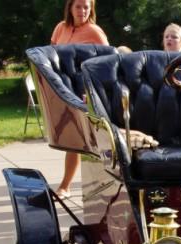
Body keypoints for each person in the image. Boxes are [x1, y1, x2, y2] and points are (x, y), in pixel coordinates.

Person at [51, 0, 109, 199]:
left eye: (87, 7)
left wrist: (93, 91)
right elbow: (51, 54)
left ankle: (75, 186)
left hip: (86, 92)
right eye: (78, 6)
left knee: (93, 139)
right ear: (70, 8)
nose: (83, 11)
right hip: (65, 90)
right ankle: (66, 186)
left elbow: (109, 61)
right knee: (72, 139)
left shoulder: (94, 31)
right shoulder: (61, 28)